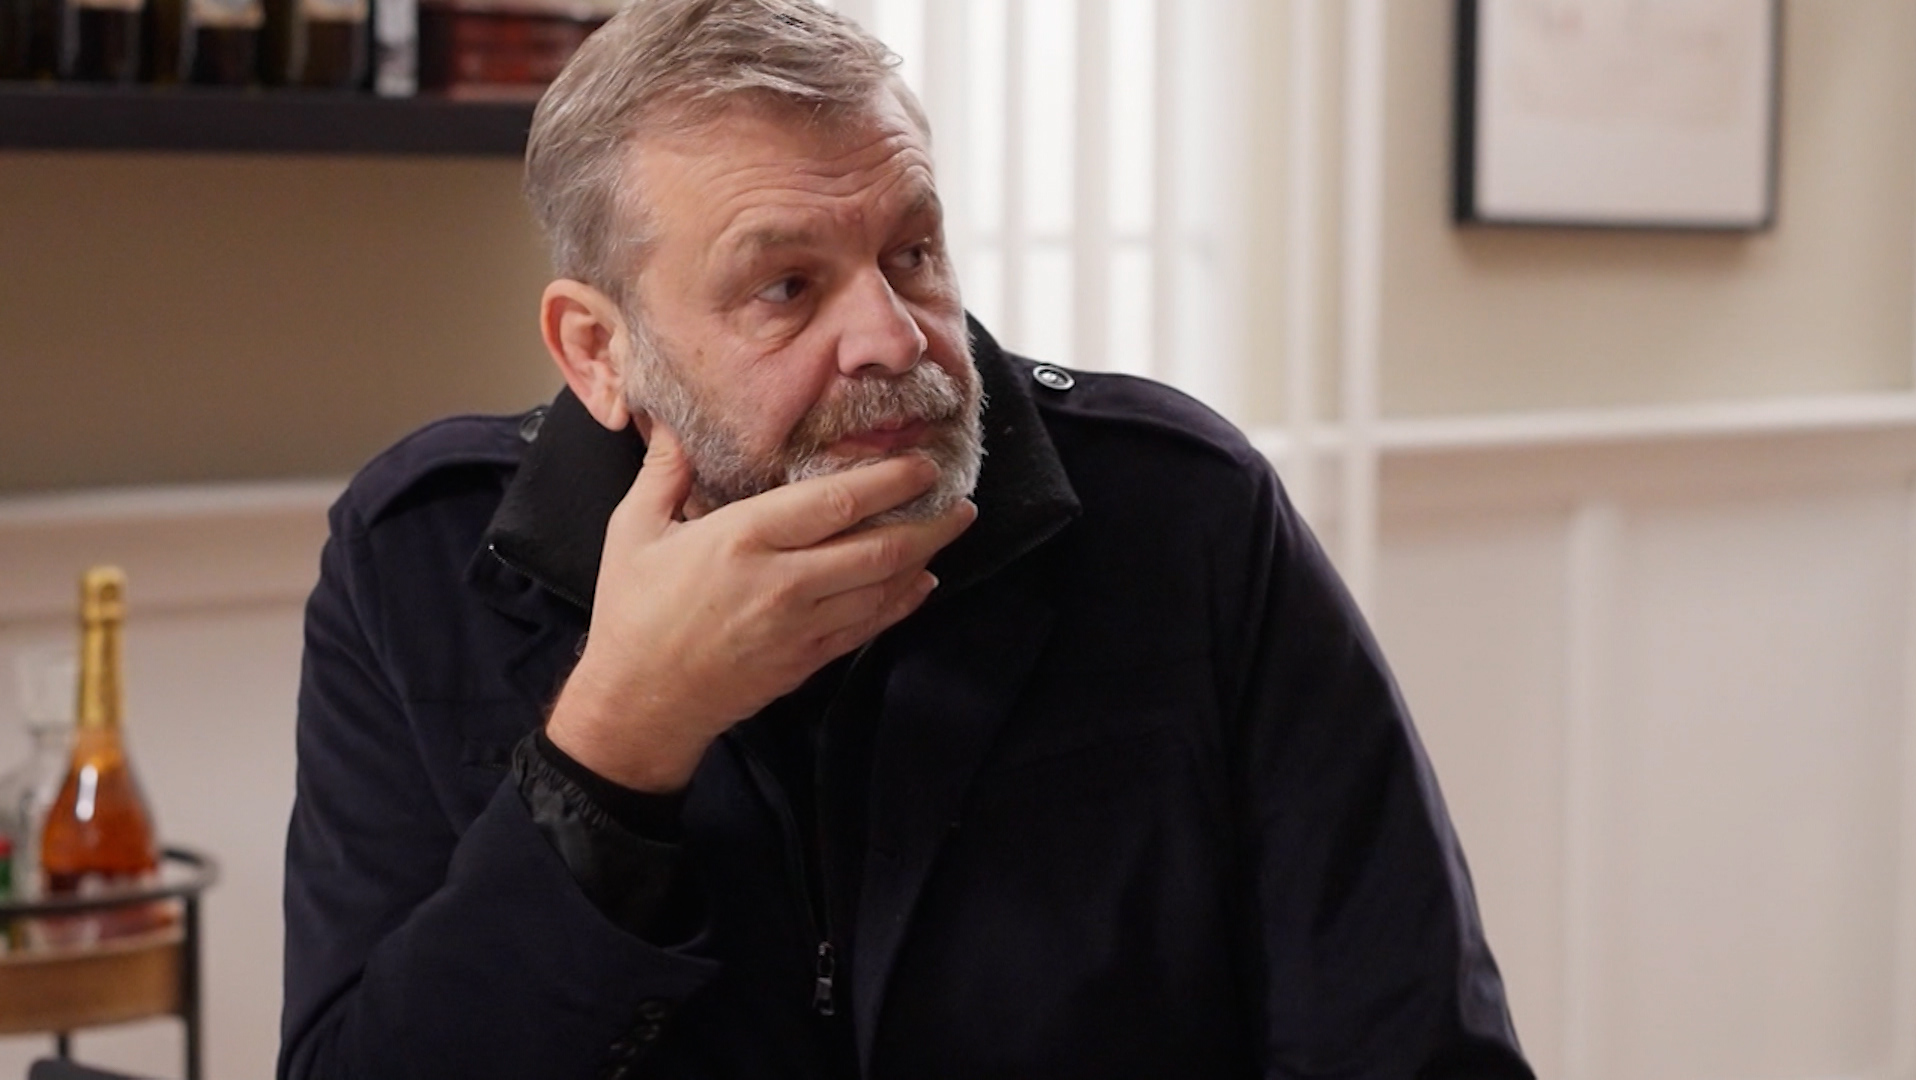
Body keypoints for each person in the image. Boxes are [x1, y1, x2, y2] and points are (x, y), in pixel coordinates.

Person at [279, 1, 1535, 1077]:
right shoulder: (422, 556)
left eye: (912, 252)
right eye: (787, 286)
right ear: (601, 353)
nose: (892, 335)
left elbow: (1414, 1044)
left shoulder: (1182, 512)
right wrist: (619, 738)